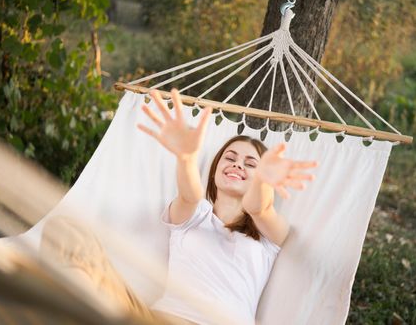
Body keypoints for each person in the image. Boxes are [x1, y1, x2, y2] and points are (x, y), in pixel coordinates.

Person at [135, 89, 319, 324]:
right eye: (230, 158)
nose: (238, 165)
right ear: (214, 172)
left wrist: (262, 180)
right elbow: (189, 195)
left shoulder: (268, 234)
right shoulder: (195, 214)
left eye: (250, 164)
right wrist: (186, 159)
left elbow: (258, 207)